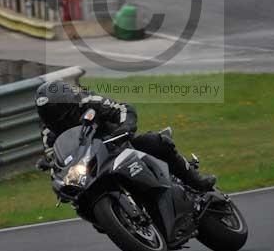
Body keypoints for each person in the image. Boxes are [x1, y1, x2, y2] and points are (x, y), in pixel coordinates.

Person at [35, 80, 216, 192]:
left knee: (157, 142)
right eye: (51, 116)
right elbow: (54, 156)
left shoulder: (88, 101)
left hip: (117, 145)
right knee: (76, 196)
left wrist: (126, 127)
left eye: (61, 112)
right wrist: (51, 164)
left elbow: (122, 108)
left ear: (70, 103)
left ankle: (195, 181)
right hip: (90, 164)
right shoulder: (48, 132)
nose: (59, 119)